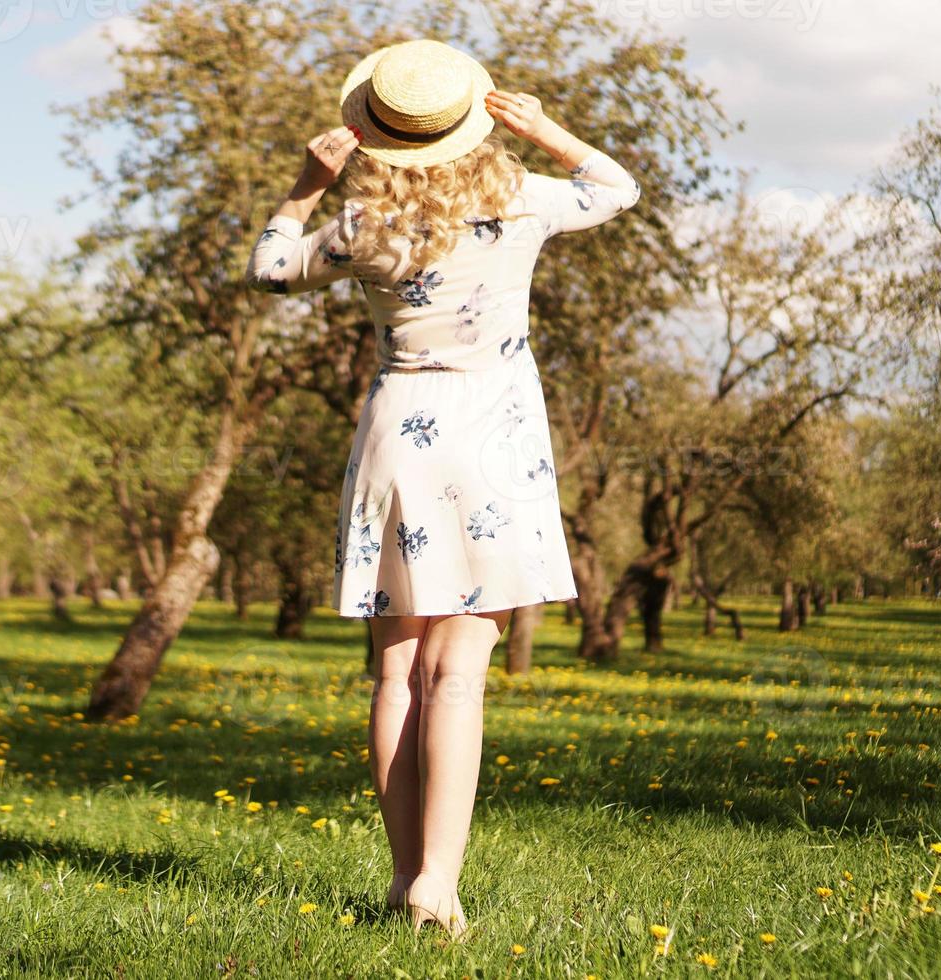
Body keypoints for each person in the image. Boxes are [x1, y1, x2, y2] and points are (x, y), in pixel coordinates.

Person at [244, 38, 641, 939]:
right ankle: (438, 882)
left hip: (401, 432)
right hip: (493, 439)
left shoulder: (363, 231)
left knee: (395, 671)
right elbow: (619, 189)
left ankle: (401, 878)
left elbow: (268, 267)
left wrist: (308, 184)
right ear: (471, 123)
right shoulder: (520, 199)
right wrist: (546, 130)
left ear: (373, 137)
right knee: (458, 670)